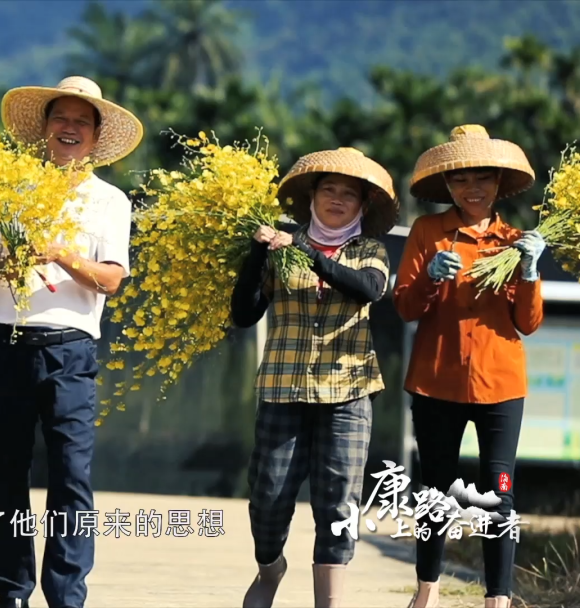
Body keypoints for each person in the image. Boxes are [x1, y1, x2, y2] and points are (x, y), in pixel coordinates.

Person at [0, 76, 143, 608]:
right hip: (8, 343)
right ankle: (12, 592)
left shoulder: (109, 200)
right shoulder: (7, 186)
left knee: (70, 475)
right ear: (44, 129)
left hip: (71, 350)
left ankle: (66, 595)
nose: (69, 129)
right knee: (2, 471)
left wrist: (62, 254)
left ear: (94, 136)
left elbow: (111, 279)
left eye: (80, 122)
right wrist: (8, 264)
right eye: (60, 119)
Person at [230, 147, 399, 608]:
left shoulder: (369, 250)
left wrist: (304, 250)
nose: (338, 199)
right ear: (311, 196)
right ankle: (270, 567)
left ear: (363, 206)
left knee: (337, 502)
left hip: (348, 391)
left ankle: (329, 601)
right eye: (329, 190)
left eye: (350, 194)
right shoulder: (281, 248)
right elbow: (244, 315)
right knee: (267, 495)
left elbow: (367, 288)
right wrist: (256, 254)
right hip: (283, 390)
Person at [396, 125, 543, 608]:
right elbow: (406, 307)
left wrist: (530, 270)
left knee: (500, 493)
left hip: (501, 386)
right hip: (436, 380)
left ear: (499, 183)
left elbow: (527, 323)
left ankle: (497, 600)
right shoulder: (427, 232)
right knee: (434, 490)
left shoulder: (516, 241)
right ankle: (426, 593)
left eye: (483, 178)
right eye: (461, 180)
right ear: (448, 186)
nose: (472, 189)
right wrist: (430, 281)